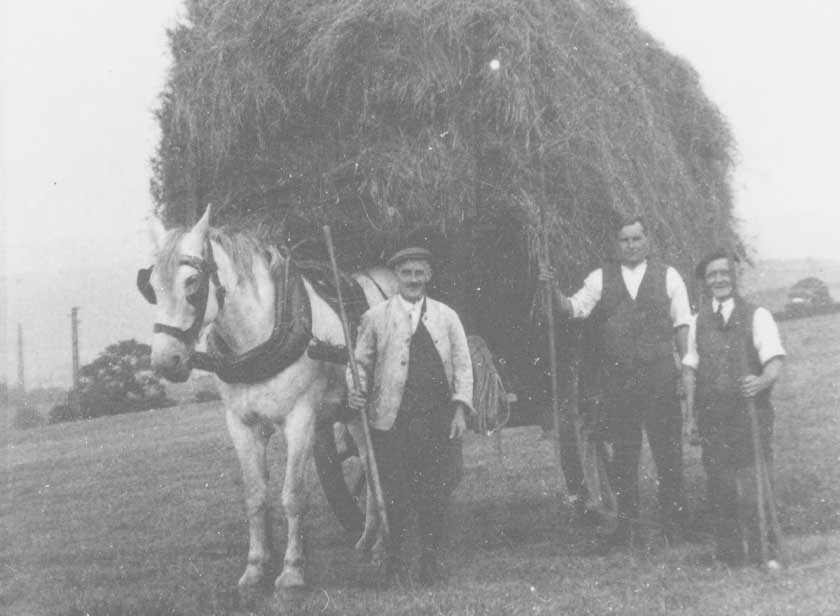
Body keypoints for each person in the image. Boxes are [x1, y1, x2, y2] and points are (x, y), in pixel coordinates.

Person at [540, 215, 692, 550]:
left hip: (659, 377)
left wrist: (685, 369)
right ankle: (627, 527)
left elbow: (682, 324)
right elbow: (573, 309)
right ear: (616, 243)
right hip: (619, 382)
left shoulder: (669, 276)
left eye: (637, 238)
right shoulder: (599, 278)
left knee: (668, 452)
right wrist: (551, 289)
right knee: (624, 456)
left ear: (647, 240)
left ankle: (673, 524)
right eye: (625, 240)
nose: (631, 245)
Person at [347, 246, 473, 585]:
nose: (414, 280)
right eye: (407, 273)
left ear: (428, 276)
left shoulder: (447, 317)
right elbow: (359, 363)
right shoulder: (375, 318)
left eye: (420, 273)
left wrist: (460, 408)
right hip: (392, 420)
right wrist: (356, 388)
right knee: (394, 491)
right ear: (397, 277)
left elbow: (463, 363)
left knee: (435, 490)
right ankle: (394, 556)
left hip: (436, 419)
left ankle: (429, 557)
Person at [682, 251, 785, 566]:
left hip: (749, 414)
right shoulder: (697, 321)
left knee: (755, 481)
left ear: (735, 276)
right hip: (713, 415)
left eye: (724, 273)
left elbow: (774, 360)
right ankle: (729, 554)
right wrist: (689, 417)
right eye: (712, 275)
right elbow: (690, 368)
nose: (718, 280)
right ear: (705, 281)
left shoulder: (757, 315)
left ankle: (764, 551)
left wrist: (761, 381)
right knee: (719, 483)